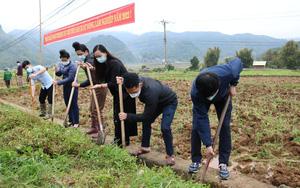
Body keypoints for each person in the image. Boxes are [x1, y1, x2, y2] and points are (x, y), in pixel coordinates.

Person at [187, 58, 243, 180]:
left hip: (223, 97)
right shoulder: (196, 93)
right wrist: (208, 145)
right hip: (202, 100)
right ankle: (196, 160)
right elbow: (202, 118)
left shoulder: (228, 72)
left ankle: (223, 163)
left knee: (224, 126)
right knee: (197, 126)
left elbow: (238, 62)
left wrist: (233, 84)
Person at [118, 72, 178, 165]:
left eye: (134, 92)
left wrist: (128, 116)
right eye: (129, 92)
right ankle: (145, 147)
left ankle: (170, 155)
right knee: (146, 122)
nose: (133, 94)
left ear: (139, 85)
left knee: (165, 127)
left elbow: (146, 116)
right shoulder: (134, 80)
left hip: (169, 102)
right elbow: (128, 76)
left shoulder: (150, 92)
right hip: (157, 101)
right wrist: (122, 80)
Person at [91, 44, 137, 146]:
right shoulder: (105, 65)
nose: (98, 58)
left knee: (121, 117)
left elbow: (114, 82)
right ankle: (119, 140)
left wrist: (101, 85)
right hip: (117, 93)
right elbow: (100, 78)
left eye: (100, 55)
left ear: (105, 53)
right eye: (96, 57)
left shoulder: (114, 63)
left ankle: (122, 141)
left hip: (124, 93)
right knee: (117, 117)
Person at [71, 42, 107, 135]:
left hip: (100, 86)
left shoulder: (90, 59)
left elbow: (95, 75)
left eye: (80, 54)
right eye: (78, 55)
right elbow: (90, 79)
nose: (79, 56)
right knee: (92, 109)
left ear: (86, 52)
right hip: (94, 87)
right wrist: (79, 85)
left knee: (97, 110)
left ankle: (101, 131)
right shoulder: (86, 60)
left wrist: (86, 67)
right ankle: (94, 128)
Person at [54, 49, 79, 128]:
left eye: (65, 60)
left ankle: (76, 122)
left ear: (68, 58)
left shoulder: (73, 66)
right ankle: (70, 121)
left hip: (73, 86)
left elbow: (70, 78)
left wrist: (58, 82)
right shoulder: (62, 64)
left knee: (73, 104)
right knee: (67, 103)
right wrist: (56, 71)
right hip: (65, 86)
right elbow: (59, 73)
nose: (63, 61)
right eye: (62, 60)